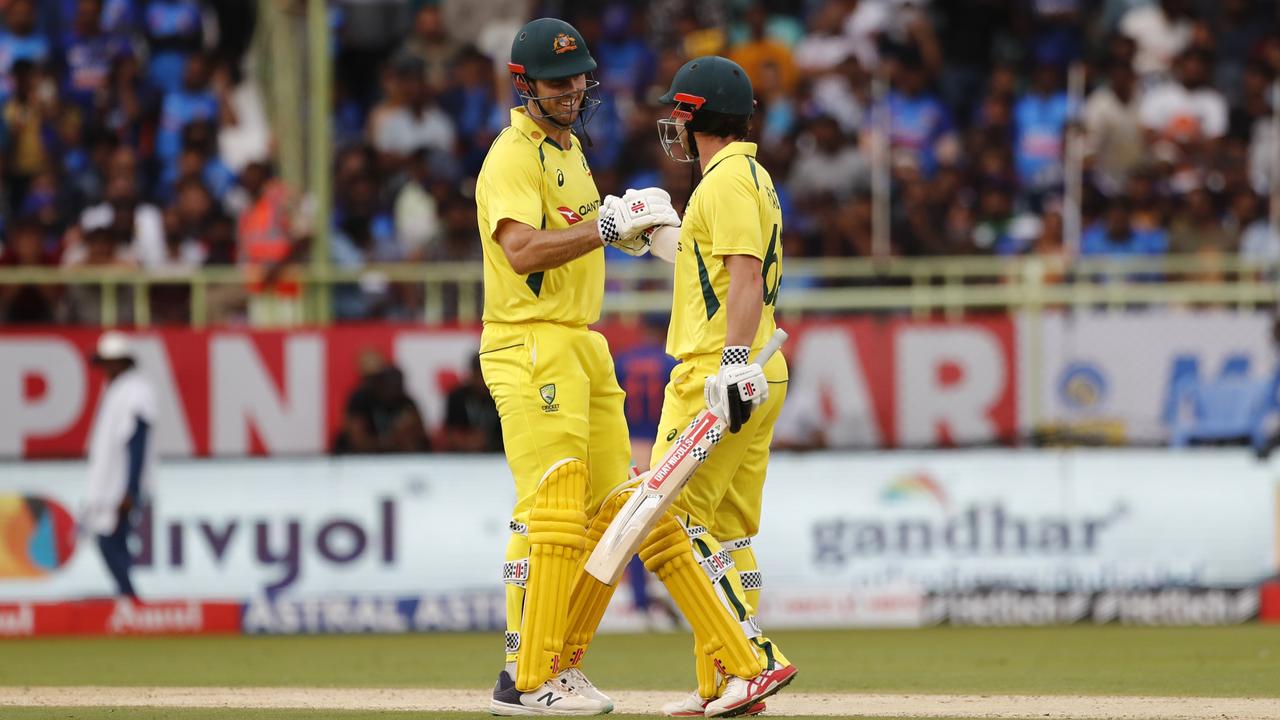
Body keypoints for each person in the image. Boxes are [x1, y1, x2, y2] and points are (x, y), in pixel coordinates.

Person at [554, 56, 799, 719]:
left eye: (677, 114)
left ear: (695, 117)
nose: (672, 127)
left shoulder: (725, 183)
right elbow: (708, 260)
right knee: (724, 532)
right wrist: (651, 234)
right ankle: (722, 682)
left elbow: (745, 276)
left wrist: (732, 362)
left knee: (662, 525)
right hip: (749, 371)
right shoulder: (745, 177)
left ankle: (753, 664)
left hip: (714, 372)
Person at [475, 17, 680, 716]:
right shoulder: (512, 154)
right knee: (554, 512)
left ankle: (556, 664)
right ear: (525, 84)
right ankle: (523, 678)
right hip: (528, 340)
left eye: (579, 77)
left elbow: (581, 235)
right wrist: (603, 228)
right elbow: (524, 250)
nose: (572, 90)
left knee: (607, 514)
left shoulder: (570, 151)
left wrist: (634, 232)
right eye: (557, 81)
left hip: (580, 342)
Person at [84, 331, 157, 598]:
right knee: (113, 541)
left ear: (122, 361)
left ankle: (129, 599)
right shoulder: (116, 389)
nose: (105, 368)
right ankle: (128, 598)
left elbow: (137, 441)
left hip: (120, 486)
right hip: (111, 485)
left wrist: (130, 488)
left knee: (109, 541)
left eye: (109, 361)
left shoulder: (136, 390)